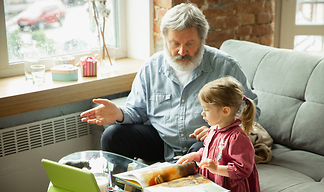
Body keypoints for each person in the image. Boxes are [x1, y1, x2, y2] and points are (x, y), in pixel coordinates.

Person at [80, 3, 260, 163]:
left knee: (204, 153)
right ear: (165, 40)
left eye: (190, 43)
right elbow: (138, 111)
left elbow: (252, 110)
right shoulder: (151, 67)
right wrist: (118, 114)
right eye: (175, 43)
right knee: (112, 136)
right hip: (161, 141)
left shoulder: (226, 67)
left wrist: (220, 131)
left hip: (203, 143)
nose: (182, 51)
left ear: (202, 40)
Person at [176, 76, 263, 192]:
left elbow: (243, 169)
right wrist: (197, 155)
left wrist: (216, 168)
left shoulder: (238, 138)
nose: (202, 113)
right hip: (212, 186)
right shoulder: (213, 130)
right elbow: (211, 152)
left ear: (225, 111)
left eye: (207, 109)